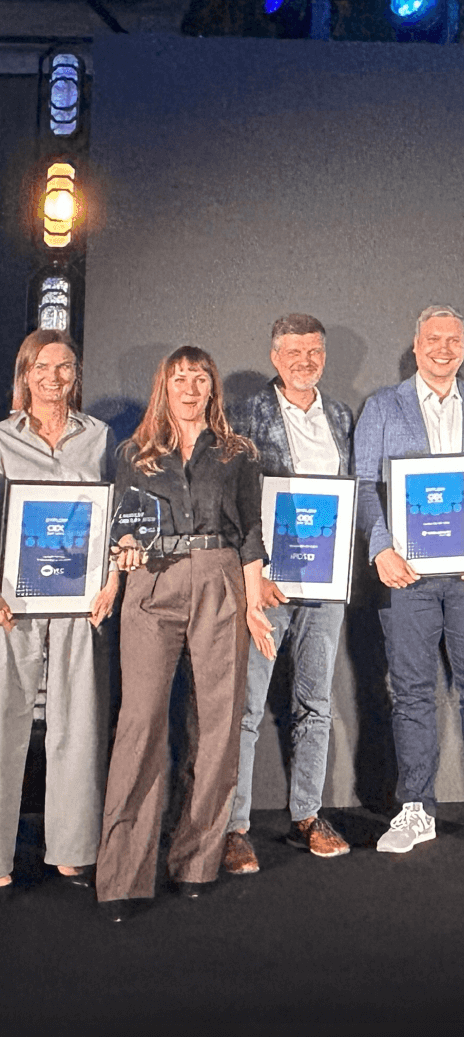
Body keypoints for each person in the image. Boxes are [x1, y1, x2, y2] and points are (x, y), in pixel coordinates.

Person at [96, 347, 267, 919]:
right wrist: (113, 585)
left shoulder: (238, 453)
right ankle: (123, 875)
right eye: (179, 378)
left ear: (212, 387)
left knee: (217, 724)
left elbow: (249, 534)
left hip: (221, 578)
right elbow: (124, 531)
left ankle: (197, 861)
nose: (189, 386)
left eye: (199, 377)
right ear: (163, 387)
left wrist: (255, 604)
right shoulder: (134, 455)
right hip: (153, 580)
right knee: (140, 723)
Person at [354, 305, 464, 854]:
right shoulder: (383, 406)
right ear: (416, 342)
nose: (444, 348)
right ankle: (415, 809)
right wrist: (380, 549)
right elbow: (361, 484)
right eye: (434, 338)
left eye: (454, 339)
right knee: (410, 692)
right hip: (406, 575)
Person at [222, 314, 355, 875]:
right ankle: (234, 827)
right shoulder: (245, 415)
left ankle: (307, 815)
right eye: (294, 352)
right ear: (275, 357)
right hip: (266, 584)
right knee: (247, 709)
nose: (305, 361)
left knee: (316, 705)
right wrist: (254, 574)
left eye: (314, 352)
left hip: (324, 587)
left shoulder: (342, 417)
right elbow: (231, 503)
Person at [0, 331, 119, 897]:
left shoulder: (98, 438)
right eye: (42, 368)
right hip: (12, 601)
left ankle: (72, 849)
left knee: (78, 721)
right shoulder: (0, 438)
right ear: (25, 374)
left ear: (76, 375)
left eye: (64, 367)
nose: (53, 378)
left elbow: (118, 515)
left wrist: (113, 578)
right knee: (4, 721)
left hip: (78, 600)